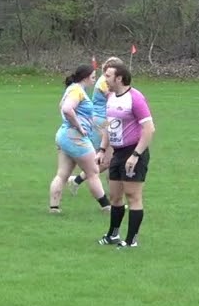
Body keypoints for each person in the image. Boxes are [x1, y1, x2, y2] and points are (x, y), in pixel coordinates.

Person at [98, 65, 156, 248]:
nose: (104, 79)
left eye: (108, 76)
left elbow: (149, 129)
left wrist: (136, 155)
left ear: (119, 78)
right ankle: (113, 235)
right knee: (115, 196)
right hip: (117, 153)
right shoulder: (110, 97)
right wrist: (102, 149)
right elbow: (110, 125)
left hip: (133, 152)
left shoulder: (135, 99)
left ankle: (131, 240)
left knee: (133, 196)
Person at [48, 64, 109, 214]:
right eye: (93, 77)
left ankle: (54, 208)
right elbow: (67, 109)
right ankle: (107, 207)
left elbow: (61, 106)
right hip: (75, 137)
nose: (95, 80)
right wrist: (80, 127)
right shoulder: (77, 90)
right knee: (93, 171)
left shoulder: (72, 89)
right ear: (85, 77)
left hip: (64, 135)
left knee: (62, 174)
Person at [67, 56, 124, 204]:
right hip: (101, 122)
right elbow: (115, 98)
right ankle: (111, 199)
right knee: (106, 160)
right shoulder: (104, 82)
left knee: (109, 160)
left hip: (106, 121)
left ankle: (78, 180)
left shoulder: (106, 80)